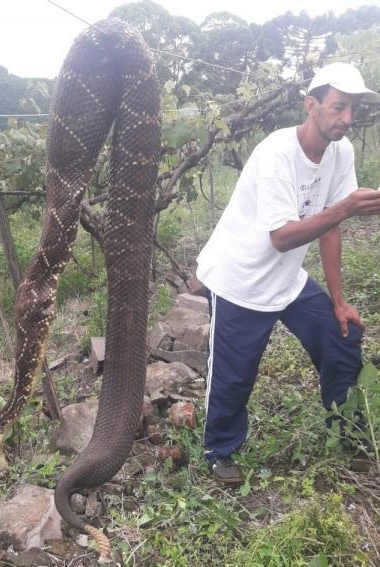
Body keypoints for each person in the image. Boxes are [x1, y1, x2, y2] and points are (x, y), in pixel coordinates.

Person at [195, 62, 380, 485]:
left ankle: (346, 430)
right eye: (338, 107)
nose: (347, 119)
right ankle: (219, 450)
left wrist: (338, 301)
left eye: (352, 109)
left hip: (286, 278)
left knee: (341, 335)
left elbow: (331, 225)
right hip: (240, 279)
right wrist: (346, 207)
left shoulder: (341, 151)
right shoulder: (277, 153)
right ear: (311, 105)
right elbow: (281, 237)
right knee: (234, 373)